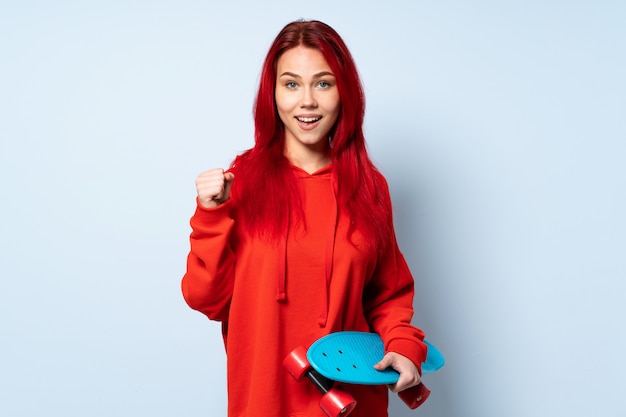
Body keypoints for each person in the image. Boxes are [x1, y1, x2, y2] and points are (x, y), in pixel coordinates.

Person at [182, 19, 427, 417]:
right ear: (273, 93)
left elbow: (389, 294)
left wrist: (403, 346)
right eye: (292, 84)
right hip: (264, 401)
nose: (307, 101)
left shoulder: (370, 186)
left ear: (344, 92)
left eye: (324, 83)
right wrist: (211, 216)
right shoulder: (239, 182)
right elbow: (205, 298)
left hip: (351, 403)